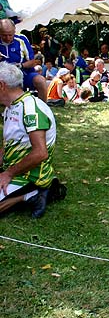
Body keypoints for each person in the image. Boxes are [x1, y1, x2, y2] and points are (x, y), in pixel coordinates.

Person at [0, 62, 58, 218]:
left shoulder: (31, 109)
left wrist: (8, 174)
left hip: (30, 175)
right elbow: (12, 144)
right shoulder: (11, 106)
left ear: (1, 85)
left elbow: (40, 153)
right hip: (14, 169)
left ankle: (33, 193)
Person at [0, 19, 48, 102]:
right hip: (2, 77)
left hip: (22, 74)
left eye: (10, 35)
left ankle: (43, 108)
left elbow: (32, 62)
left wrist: (20, 65)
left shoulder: (21, 39)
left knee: (40, 80)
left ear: (15, 31)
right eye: (4, 35)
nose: (8, 38)